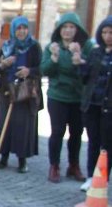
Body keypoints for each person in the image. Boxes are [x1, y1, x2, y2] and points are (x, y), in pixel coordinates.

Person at [40, 12, 93, 183]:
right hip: (57, 95)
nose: (67, 31)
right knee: (57, 131)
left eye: (71, 27)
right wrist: (54, 59)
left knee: (76, 133)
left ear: (77, 30)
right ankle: (54, 165)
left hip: (78, 97)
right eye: (64, 27)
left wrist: (80, 60)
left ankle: (74, 165)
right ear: (59, 29)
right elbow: (44, 70)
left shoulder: (86, 47)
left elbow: (92, 70)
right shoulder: (52, 46)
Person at [0, 16, 43, 173]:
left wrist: (29, 71)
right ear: (13, 30)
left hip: (25, 91)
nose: (21, 31)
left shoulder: (34, 47)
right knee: (3, 125)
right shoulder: (7, 46)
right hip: (6, 90)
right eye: (18, 28)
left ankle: (22, 160)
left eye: (24, 28)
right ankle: (3, 157)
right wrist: (3, 64)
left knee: (22, 125)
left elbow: (41, 68)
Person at [79, 15, 112, 189]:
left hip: (109, 106)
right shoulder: (95, 52)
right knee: (93, 142)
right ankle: (91, 176)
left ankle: (103, 178)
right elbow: (86, 77)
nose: (108, 36)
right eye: (105, 32)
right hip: (92, 104)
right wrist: (80, 65)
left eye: (111, 32)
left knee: (107, 145)